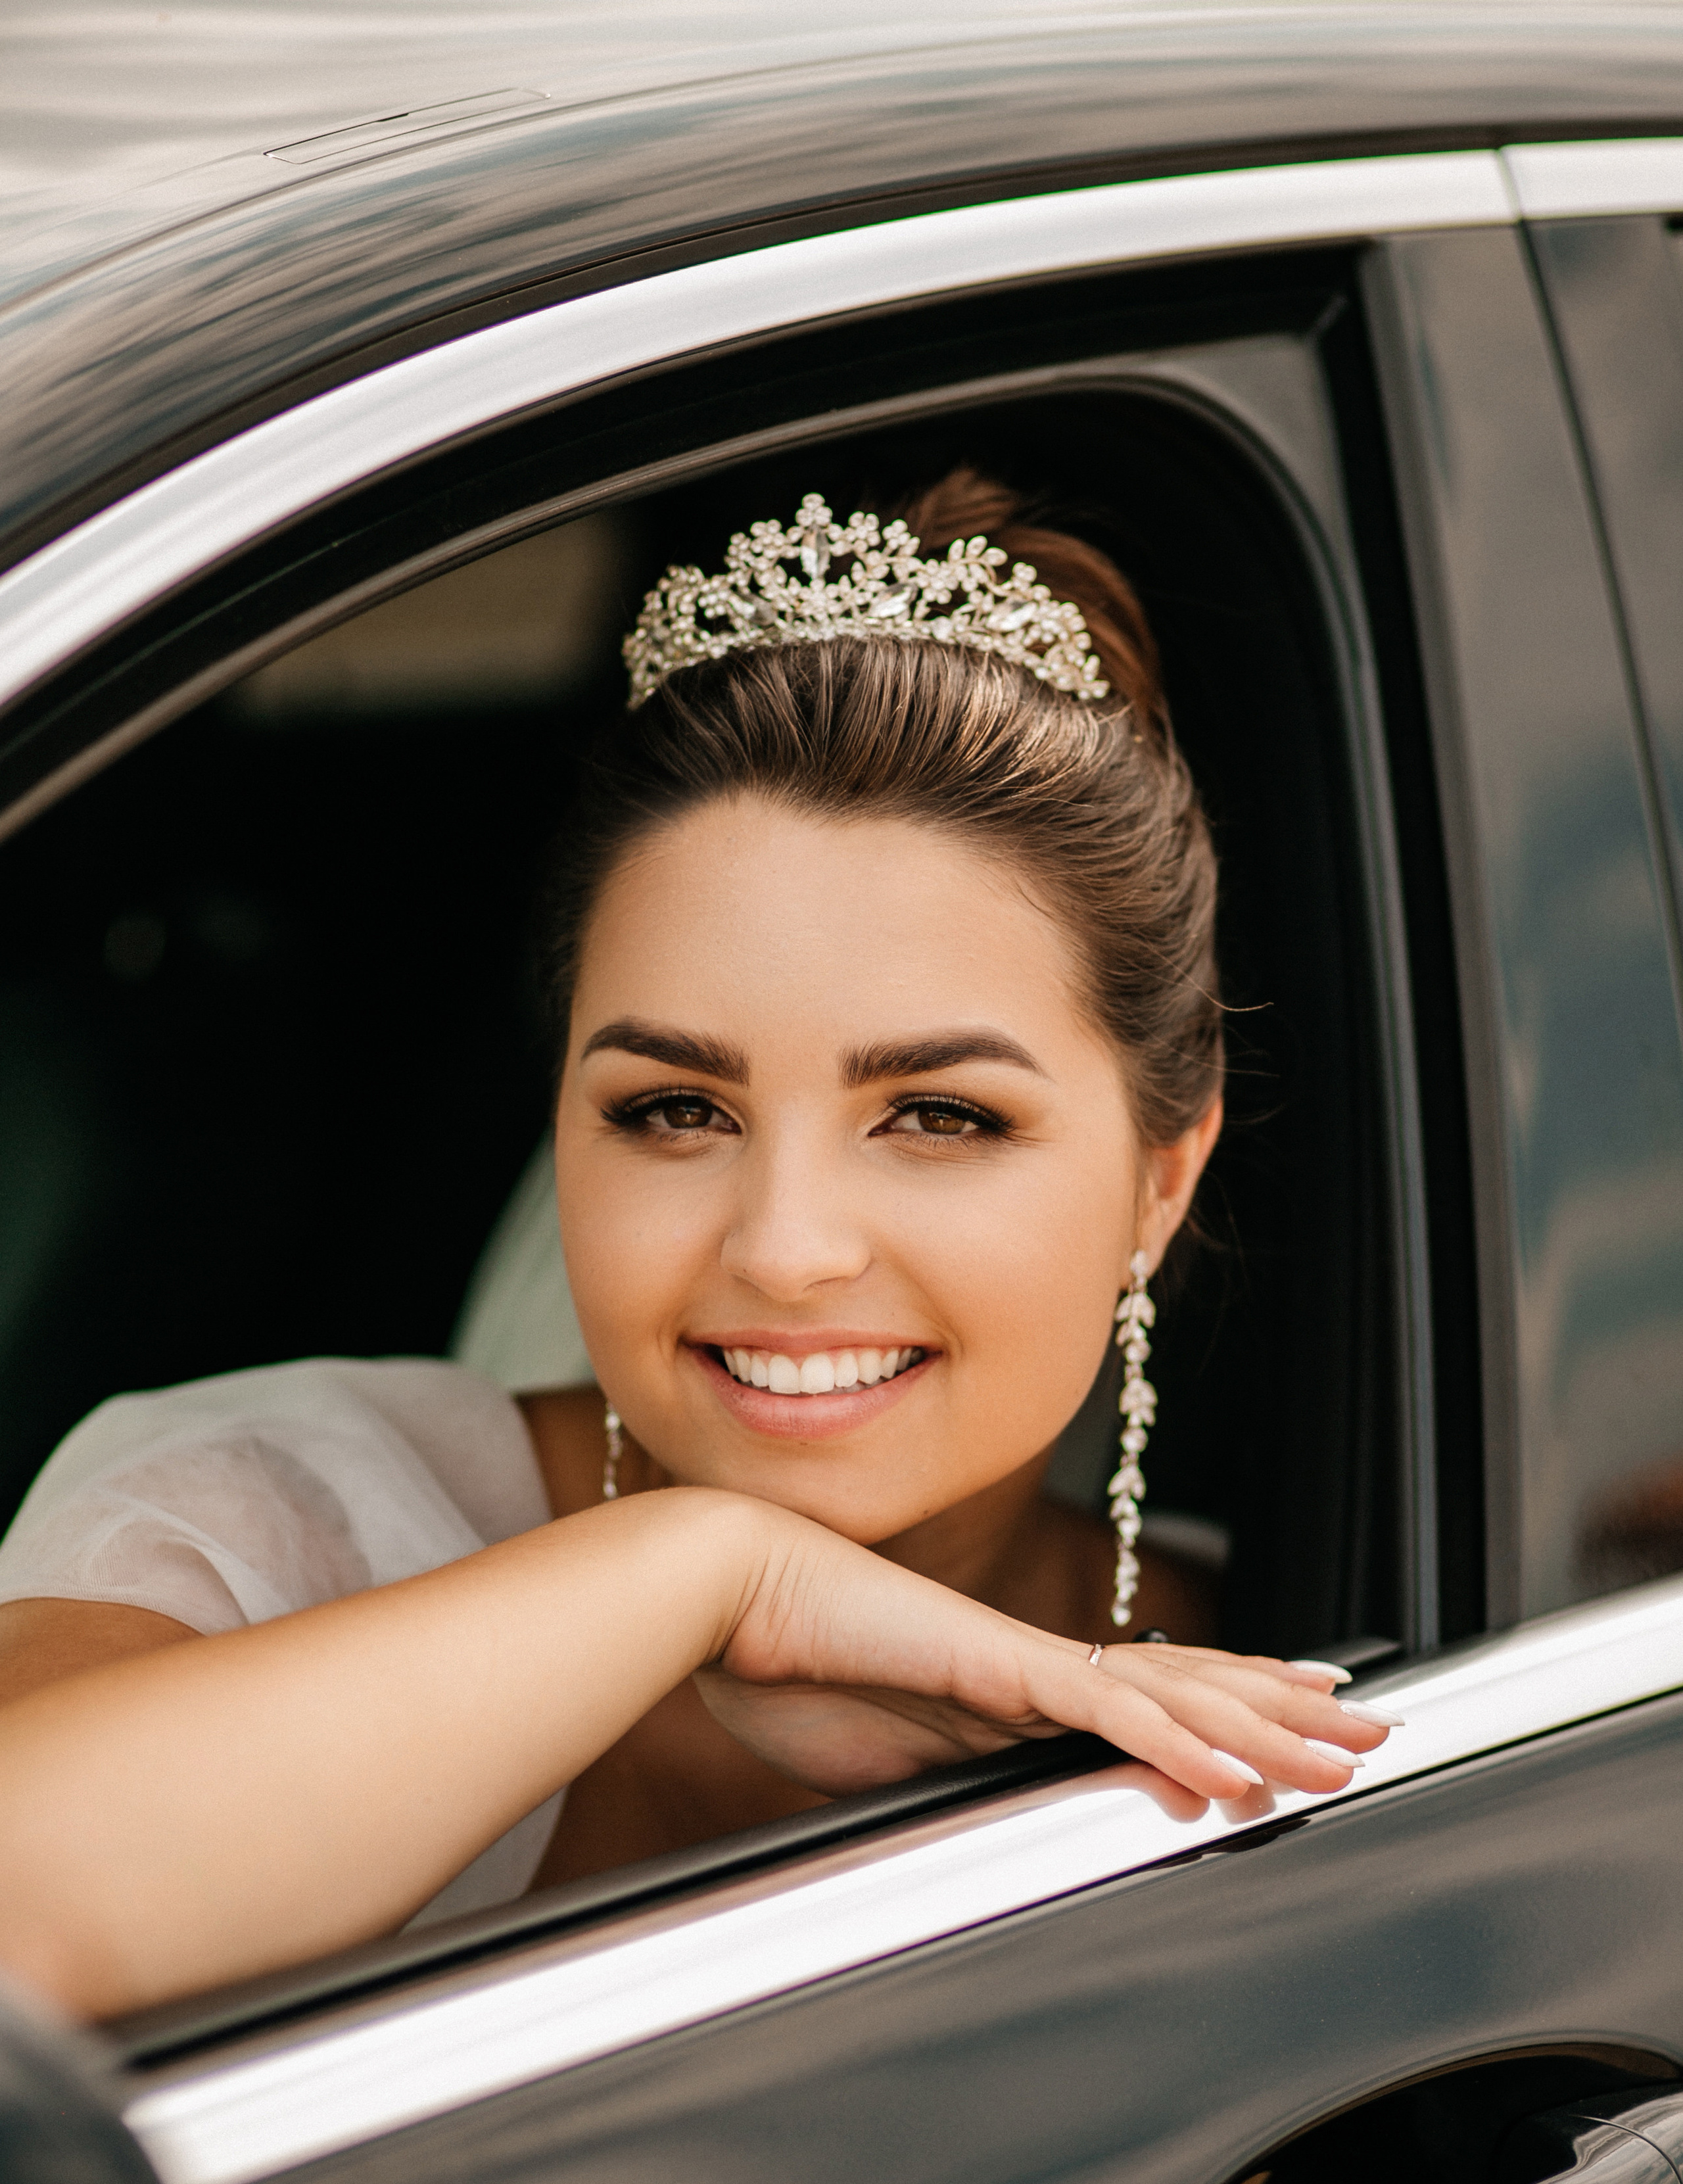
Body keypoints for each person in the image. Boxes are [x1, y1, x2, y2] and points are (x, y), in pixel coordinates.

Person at [0, 471, 1391, 2021]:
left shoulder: (1335, 1671)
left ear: (1158, 1173)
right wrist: (706, 1570)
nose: (785, 1250)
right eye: (673, 1109)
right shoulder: (268, 1527)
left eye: (938, 1116)